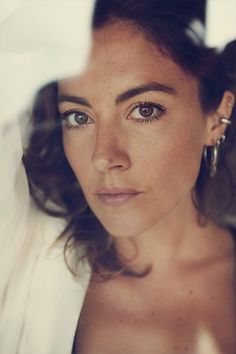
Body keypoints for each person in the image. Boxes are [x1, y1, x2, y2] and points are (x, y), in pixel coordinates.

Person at [1, 0, 236, 353]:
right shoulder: (22, 264)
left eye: (144, 110)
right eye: (78, 117)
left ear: (216, 118)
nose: (103, 157)